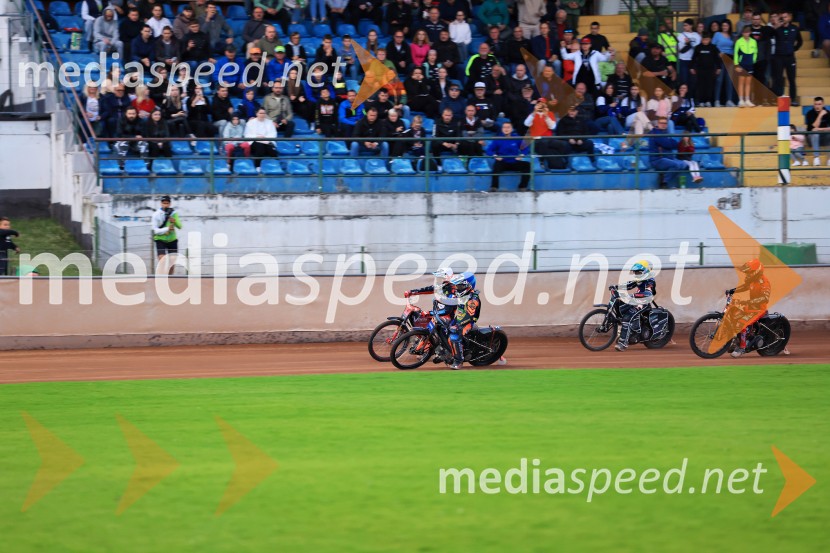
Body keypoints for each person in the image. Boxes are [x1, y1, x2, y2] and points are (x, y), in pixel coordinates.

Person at [727, 259, 771, 358]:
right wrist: (732, 291)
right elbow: (745, 287)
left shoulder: (764, 282)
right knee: (734, 316)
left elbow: (765, 298)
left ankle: (742, 348)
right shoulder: (753, 280)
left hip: (759, 309)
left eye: (749, 272)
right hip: (750, 307)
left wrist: (748, 302)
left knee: (742, 323)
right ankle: (736, 340)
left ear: (756, 271)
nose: (747, 274)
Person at [648, 117, 703, 185]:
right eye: (661, 123)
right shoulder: (656, 133)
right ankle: (664, 181)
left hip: (669, 158)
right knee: (676, 165)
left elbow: (674, 144)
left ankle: (665, 176)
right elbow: (668, 144)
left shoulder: (665, 133)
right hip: (658, 159)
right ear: (658, 124)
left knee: (683, 164)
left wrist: (669, 143)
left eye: (665, 123)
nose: (663, 125)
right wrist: (669, 143)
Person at [615, 260, 656, 351]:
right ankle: (630, 332)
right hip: (636, 300)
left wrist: (634, 295)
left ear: (645, 271)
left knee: (627, 317)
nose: (636, 274)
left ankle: (623, 344)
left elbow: (649, 293)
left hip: (643, 302)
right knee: (620, 309)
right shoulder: (639, 279)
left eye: (638, 272)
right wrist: (616, 287)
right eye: (635, 272)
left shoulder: (650, 280)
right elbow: (629, 285)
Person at [446, 272, 481, 369]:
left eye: (460, 286)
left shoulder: (473, 300)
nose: (458, 288)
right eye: (457, 286)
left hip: (468, 322)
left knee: (454, 337)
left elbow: (469, 317)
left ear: (469, 286)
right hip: (459, 319)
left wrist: (457, 325)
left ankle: (458, 361)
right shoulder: (462, 295)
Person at [486, 121, 530, 191]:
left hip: (514, 162)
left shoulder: (517, 138)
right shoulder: (498, 139)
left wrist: (521, 155)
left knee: (527, 165)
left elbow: (526, 149)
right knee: (496, 166)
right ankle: (494, 187)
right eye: (504, 127)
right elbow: (489, 150)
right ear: (502, 129)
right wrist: (495, 156)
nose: (506, 129)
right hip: (502, 162)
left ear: (512, 129)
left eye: (508, 127)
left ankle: (522, 187)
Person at [691, 33, 721, 107]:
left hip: (710, 70)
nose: (705, 41)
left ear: (710, 39)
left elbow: (717, 58)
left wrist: (719, 67)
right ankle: (701, 101)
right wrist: (691, 67)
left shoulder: (713, 47)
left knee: (709, 85)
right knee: (701, 85)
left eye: (707, 39)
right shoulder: (698, 47)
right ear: (702, 39)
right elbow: (694, 58)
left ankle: (708, 101)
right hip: (700, 70)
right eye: (704, 39)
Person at [152, 195, 182, 268]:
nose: (165, 205)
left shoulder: (173, 213)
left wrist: (174, 221)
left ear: (170, 204)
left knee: (172, 263)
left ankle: (170, 278)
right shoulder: (156, 214)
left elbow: (180, 226)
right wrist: (167, 229)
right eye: (164, 203)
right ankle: (163, 277)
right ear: (161, 203)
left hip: (172, 239)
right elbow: (155, 230)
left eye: (167, 203)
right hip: (160, 239)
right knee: (162, 259)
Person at [734, 25, 758, 107]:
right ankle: (741, 100)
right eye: (744, 32)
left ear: (750, 33)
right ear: (742, 33)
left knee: (748, 83)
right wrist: (736, 65)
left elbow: (755, 52)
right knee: (741, 82)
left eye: (748, 32)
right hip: (742, 64)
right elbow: (736, 53)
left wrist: (753, 61)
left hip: (750, 64)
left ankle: (747, 100)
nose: (746, 34)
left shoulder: (753, 41)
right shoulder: (739, 41)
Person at [806, 97, 830, 165]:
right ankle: (816, 158)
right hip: (811, 139)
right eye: (815, 104)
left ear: (823, 104)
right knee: (815, 133)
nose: (817, 106)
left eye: (819, 104)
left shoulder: (828, 113)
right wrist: (820, 115)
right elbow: (813, 128)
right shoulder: (810, 113)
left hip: (823, 137)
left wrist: (820, 129)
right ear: (813, 105)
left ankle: (829, 159)